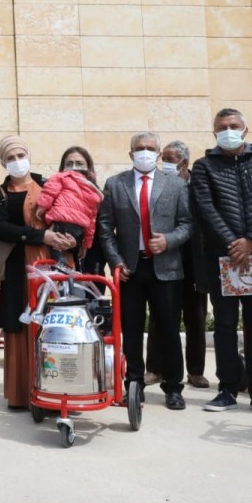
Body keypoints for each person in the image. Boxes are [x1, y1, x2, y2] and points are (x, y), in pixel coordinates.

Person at [191, 108, 252, 415]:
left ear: (245, 130)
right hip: (223, 259)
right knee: (225, 325)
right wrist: (234, 244)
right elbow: (205, 208)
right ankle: (227, 389)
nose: (228, 131)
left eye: (234, 126)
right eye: (222, 127)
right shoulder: (204, 167)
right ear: (214, 132)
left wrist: (251, 240)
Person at [96, 132, 194, 410]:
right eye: (139, 148)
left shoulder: (174, 184)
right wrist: (115, 261)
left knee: (169, 330)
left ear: (159, 153)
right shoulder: (115, 184)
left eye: (150, 148)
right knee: (132, 329)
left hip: (166, 269)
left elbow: (187, 223)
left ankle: (174, 387)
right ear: (130, 154)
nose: (145, 152)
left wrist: (169, 240)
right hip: (130, 269)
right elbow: (105, 228)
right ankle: (134, 384)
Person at [0, 136, 77, 410]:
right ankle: (22, 394)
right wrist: (41, 236)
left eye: (20, 155)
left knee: (56, 327)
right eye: (10, 157)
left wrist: (71, 238)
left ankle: (59, 392)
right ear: (3, 161)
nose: (16, 161)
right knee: (21, 325)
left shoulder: (51, 184)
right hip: (20, 268)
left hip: (56, 262)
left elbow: (73, 214)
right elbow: (3, 229)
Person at [146, 140, 210, 389]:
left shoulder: (198, 184)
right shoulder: (159, 184)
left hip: (194, 260)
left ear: (185, 161)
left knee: (196, 316)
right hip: (165, 259)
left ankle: (196, 371)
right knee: (160, 317)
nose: (166, 163)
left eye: (171, 159)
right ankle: (155, 368)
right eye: (164, 158)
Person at [35, 150, 103, 268]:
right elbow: (91, 222)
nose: (74, 167)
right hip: (78, 229)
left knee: (56, 247)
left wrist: (42, 205)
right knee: (63, 248)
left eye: (79, 163)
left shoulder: (61, 176)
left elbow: (50, 190)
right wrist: (86, 244)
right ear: (63, 166)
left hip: (61, 223)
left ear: (88, 166)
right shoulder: (94, 191)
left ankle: (60, 267)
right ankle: (64, 269)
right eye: (69, 163)